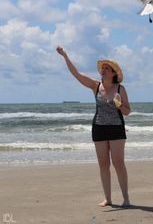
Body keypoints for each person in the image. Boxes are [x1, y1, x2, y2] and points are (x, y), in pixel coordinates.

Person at [56, 46, 131, 207]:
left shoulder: (120, 89)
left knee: (118, 163)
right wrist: (65, 56)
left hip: (116, 128)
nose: (103, 70)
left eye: (107, 68)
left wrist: (120, 106)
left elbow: (127, 112)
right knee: (103, 164)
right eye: (102, 68)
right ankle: (108, 199)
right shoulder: (95, 86)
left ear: (113, 73)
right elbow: (76, 74)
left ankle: (126, 198)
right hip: (99, 128)